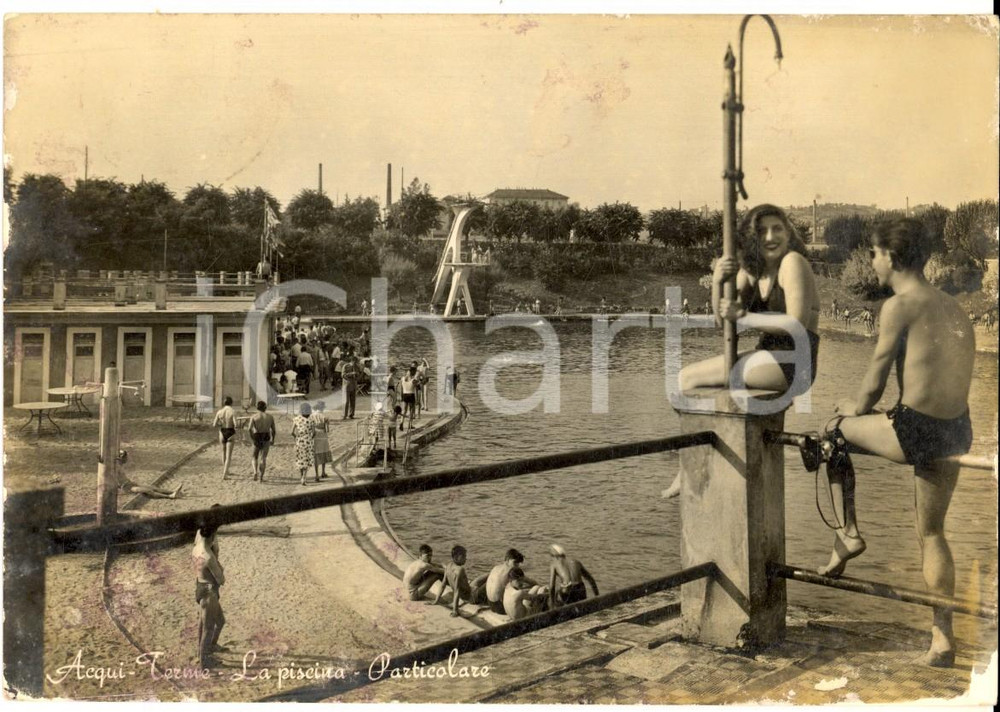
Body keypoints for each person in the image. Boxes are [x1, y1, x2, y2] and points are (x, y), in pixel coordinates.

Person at [814, 218, 974, 668]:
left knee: (832, 430)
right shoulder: (954, 307)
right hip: (956, 429)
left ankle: (847, 534)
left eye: (874, 254)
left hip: (916, 428)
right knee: (932, 533)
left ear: (891, 256)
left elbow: (872, 386)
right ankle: (942, 637)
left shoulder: (900, 305)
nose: (872, 261)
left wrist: (851, 408)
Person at [194, 505, 226, 668]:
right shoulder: (208, 555)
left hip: (201, 584)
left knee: (218, 621)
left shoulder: (199, 538)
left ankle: (205, 651)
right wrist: (220, 569)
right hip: (209, 589)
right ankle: (204, 660)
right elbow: (221, 579)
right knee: (208, 627)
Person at [471, 548, 529, 615]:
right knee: (522, 595)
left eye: (518, 563)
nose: (517, 565)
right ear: (507, 560)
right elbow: (528, 581)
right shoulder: (511, 571)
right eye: (515, 562)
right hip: (500, 608)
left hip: (490, 603)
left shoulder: (496, 567)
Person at [115, 450, 183, 498]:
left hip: (130, 483)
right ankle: (169, 496)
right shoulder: (116, 467)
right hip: (127, 488)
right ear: (122, 458)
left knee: (152, 487)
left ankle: (172, 491)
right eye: (125, 458)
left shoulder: (119, 465)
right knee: (149, 490)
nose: (126, 459)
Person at [547, 544, 598, 608]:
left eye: (551, 556)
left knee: (557, 594)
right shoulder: (576, 562)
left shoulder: (554, 564)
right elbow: (591, 579)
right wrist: (597, 596)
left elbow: (552, 587)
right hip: (580, 590)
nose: (551, 559)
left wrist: (551, 605)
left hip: (568, 592)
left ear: (555, 556)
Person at [431, 545, 473, 617]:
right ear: (456, 557)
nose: (466, 558)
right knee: (484, 579)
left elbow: (443, 585)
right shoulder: (460, 570)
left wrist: (436, 600)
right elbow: (457, 591)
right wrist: (455, 610)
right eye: (463, 556)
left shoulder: (448, 565)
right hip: (471, 596)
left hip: (468, 591)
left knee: (477, 581)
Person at [248, 401, 276, 482]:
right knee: (263, 458)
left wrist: (252, 437)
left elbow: (249, 429)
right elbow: (274, 430)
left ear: (257, 407)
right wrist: (273, 439)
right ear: (265, 407)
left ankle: (255, 472)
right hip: (266, 436)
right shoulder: (270, 417)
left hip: (257, 435)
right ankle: (261, 477)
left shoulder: (254, 417)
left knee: (254, 456)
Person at [212, 396, 237, 480]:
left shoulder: (220, 411)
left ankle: (226, 471)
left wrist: (221, 425)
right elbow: (236, 424)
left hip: (222, 432)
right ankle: (224, 474)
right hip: (230, 432)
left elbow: (214, 424)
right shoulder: (232, 411)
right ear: (231, 403)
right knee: (229, 456)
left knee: (223, 452)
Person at [291, 402, 316, 486]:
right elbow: (314, 432)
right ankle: (304, 477)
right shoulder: (311, 419)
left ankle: (301, 476)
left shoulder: (296, 419)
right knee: (307, 459)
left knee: (300, 459)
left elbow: (292, 432)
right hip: (308, 441)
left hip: (299, 441)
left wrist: (296, 437)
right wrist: (310, 437)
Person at [310, 400, 332, 479]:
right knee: (324, 453)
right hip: (323, 435)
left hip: (315, 434)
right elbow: (327, 429)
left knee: (316, 454)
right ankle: (323, 472)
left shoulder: (312, 416)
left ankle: (316, 474)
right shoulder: (324, 417)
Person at [342, 355, 358, 420]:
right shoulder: (345, 366)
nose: (355, 363)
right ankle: (344, 415)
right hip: (347, 386)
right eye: (355, 362)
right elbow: (343, 375)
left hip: (353, 385)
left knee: (353, 401)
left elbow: (358, 376)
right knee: (346, 401)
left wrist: (357, 374)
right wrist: (351, 374)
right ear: (352, 361)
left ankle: (351, 414)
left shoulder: (356, 367)